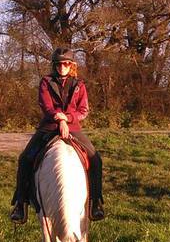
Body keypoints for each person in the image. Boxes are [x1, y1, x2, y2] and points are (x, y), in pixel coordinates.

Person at [9, 48, 105, 224]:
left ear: (71, 65)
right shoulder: (46, 82)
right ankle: (20, 204)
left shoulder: (79, 85)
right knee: (25, 159)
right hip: (49, 127)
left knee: (96, 159)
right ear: (54, 65)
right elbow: (46, 106)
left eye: (66, 64)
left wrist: (67, 119)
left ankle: (95, 202)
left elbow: (83, 110)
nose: (62, 67)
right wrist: (59, 119)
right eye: (59, 64)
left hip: (73, 127)